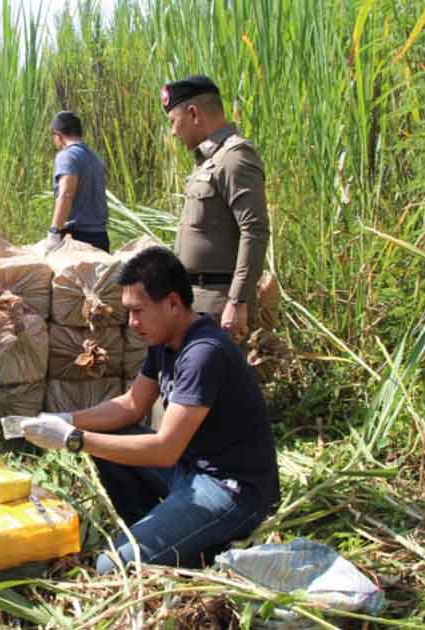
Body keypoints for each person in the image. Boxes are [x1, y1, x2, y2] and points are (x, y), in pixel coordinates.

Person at [19, 246, 279, 574]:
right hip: (189, 471)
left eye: (138, 311)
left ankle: (198, 549)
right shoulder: (164, 343)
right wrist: (67, 419)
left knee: (109, 566)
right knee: (107, 432)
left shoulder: (203, 354)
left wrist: (74, 439)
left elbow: (165, 450)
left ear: (173, 303)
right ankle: (160, 532)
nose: (131, 322)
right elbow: (130, 405)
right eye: (128, 312)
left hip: (231, 491)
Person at [162, 75, 269, 339]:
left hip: (220, 305)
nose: (173, 131)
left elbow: (254, 231)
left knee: (218, 379)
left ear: (194, 113)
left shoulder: (234, 157)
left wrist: (238, 301)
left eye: (173, 122)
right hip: (196, 301)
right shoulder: (207, 161)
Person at [43, 110, 110, 253]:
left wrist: (54, 231)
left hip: (77, 241)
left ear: (58, 135)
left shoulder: (67, 156)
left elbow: (66, 194)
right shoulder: (95, 158)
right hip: (101, 238)